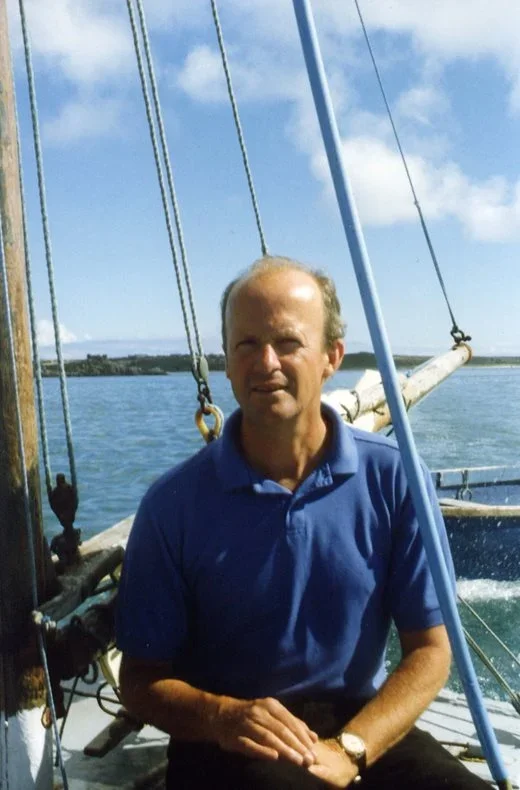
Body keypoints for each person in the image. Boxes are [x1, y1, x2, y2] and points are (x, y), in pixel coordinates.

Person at [116, 256, 488, 789]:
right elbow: (141, 680)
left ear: (330, 357)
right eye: (246, 344)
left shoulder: (395, 476)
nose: (265, 361)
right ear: (226, 360)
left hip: (362, 727)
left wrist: (351, 749)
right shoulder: (173, 505)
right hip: (230, 742)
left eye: (288, 342)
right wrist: (222, 717)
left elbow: (430, 650)